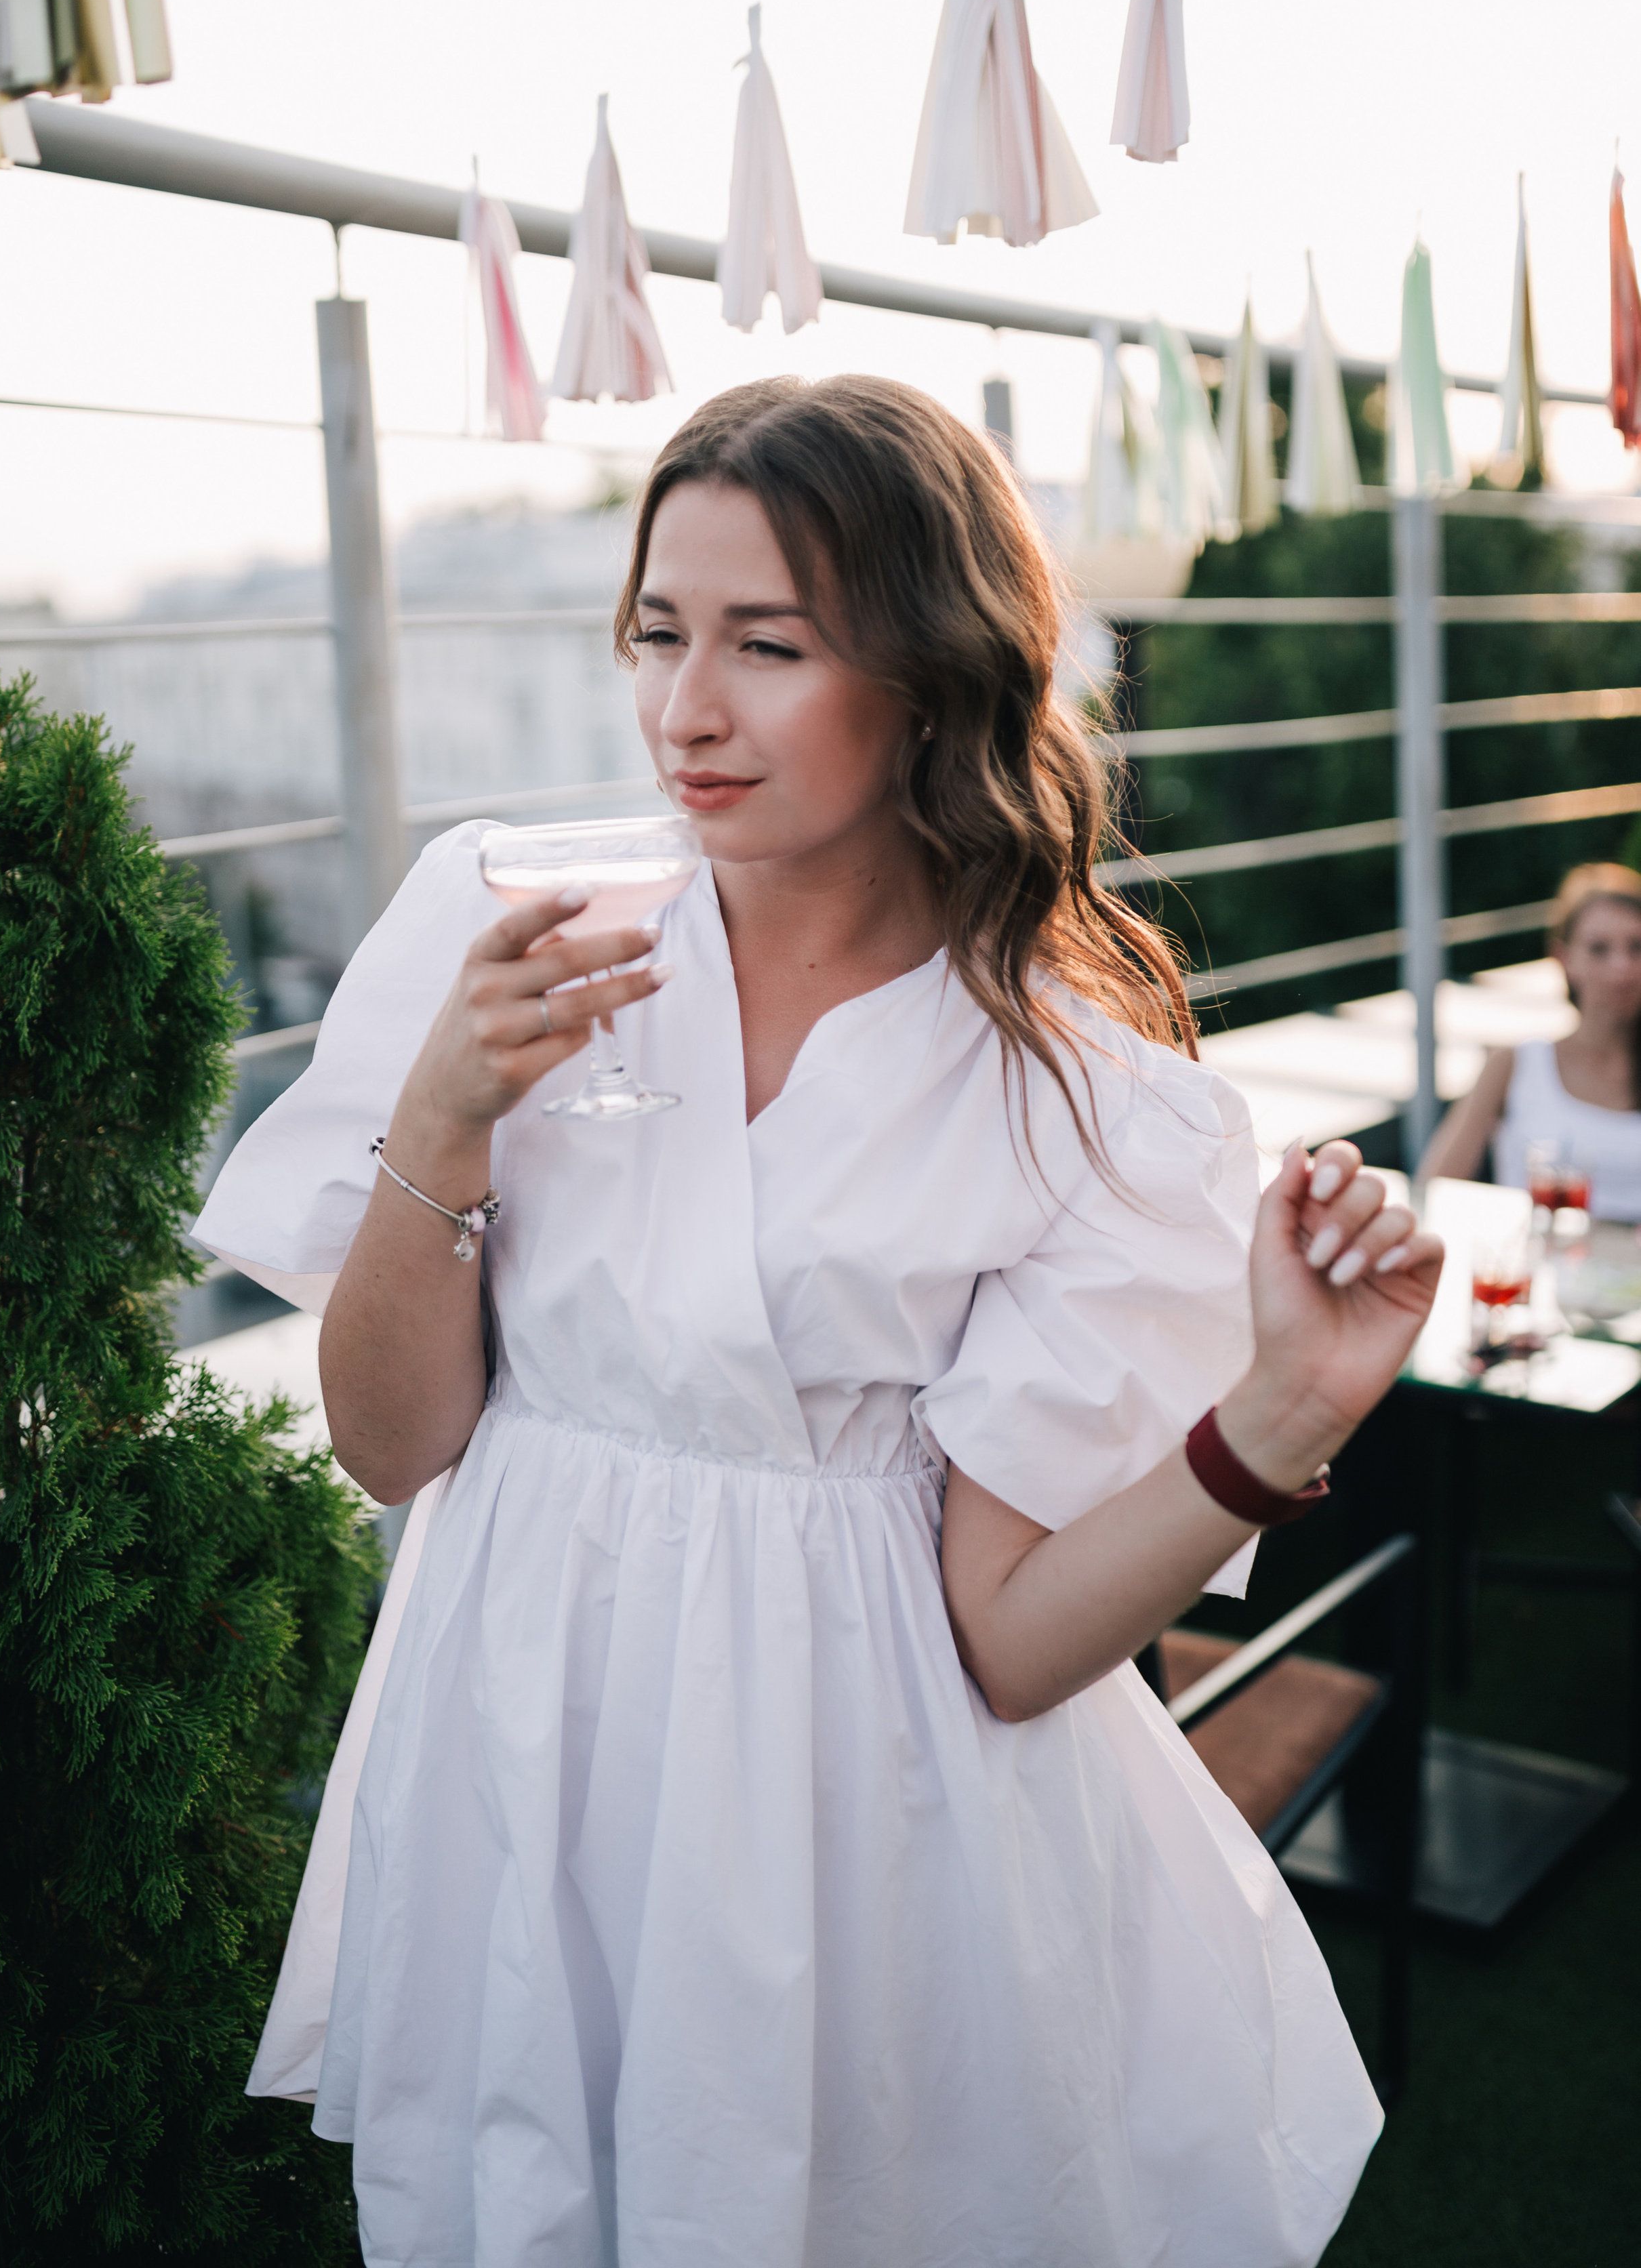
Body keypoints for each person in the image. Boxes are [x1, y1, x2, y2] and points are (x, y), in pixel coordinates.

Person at [197, 377, 1442, 2268]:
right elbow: (392, 1444)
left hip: (867, 1821)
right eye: (658, 632)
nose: (686, 710)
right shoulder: (506, 926)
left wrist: (1275, 1420)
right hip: (530, 1738)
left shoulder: (1085, 1099)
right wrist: (442, 1114)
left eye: (768, 646)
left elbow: (1013, 1649)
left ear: (934, 675)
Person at [1417, 861, 1641, 1218]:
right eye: (1599, 949)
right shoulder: (1516, 1065)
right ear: (1563, 958)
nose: (1622, 968)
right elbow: (1433, 1192)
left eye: (1636, 947)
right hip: (1541, 1265)